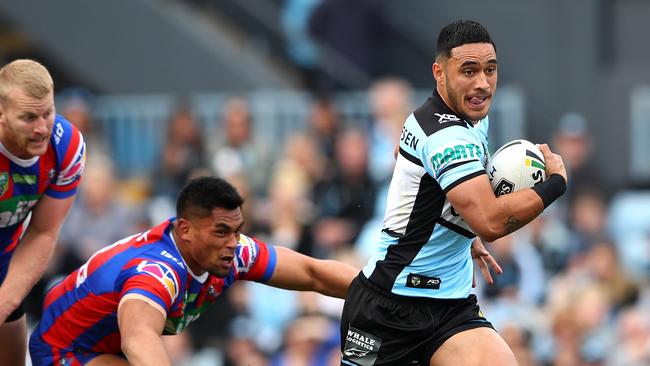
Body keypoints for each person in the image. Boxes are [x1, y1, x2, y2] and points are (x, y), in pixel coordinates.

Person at [339, 20, 568, 366]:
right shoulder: (446, 136)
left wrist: (454, 227)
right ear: (439, 72)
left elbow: (408, 165)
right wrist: (556, 184)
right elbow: (490, 222)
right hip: (387, 308)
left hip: (450, 306)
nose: (482, 83)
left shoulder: (468, 117)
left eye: (490, 70)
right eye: (469, 71)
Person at [28, 176, 355, 365]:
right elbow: (139, 338)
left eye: (238, 230)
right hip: (66, 349)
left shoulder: (232, 250)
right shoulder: (157, 272)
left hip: (107, 343)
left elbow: (314, 274)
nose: (234, 242)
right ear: (185, 230)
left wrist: (389, 293)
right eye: (222, 232)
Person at [0, 59, 86, 366]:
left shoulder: (67, 146)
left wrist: (4, 301)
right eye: (28, 117)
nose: (41, 128)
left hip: (5, 262)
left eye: (47, 113)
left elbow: (43, 232)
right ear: (2, 115)